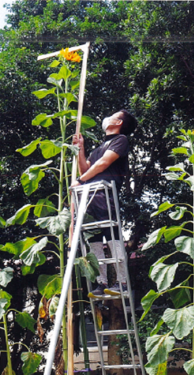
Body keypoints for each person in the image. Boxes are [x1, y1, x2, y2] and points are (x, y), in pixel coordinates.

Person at [72, 110, 137, 297]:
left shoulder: (120, 140)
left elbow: (102, 164)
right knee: (93, 240)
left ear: (118, 122)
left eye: (113, 115)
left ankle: (122, 282)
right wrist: (81, 149)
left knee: (112, 237)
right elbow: (86, 167)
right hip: (89, 195)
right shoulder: (98, 148)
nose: (107, 117)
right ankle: (102, 282)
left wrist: (81, 180)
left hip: (104, 193)